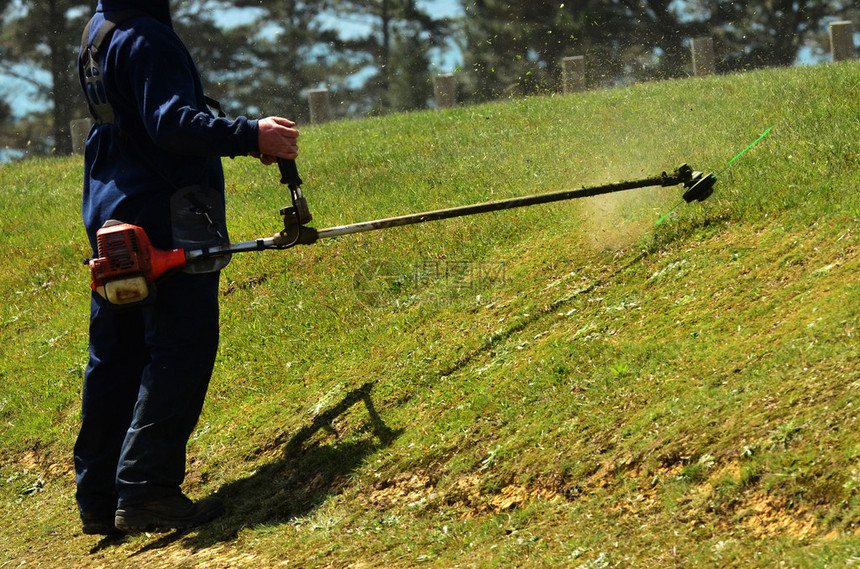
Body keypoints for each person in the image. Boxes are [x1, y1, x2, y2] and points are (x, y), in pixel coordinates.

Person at [74, 0, 299, 535]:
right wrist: (250, 135)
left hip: (112, 209)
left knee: (116, 355)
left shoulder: (99, 30)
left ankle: (101, 497)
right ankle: (148, 487)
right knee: (181, 346)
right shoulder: (148, 36)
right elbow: (169, 122)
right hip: (168, 216)